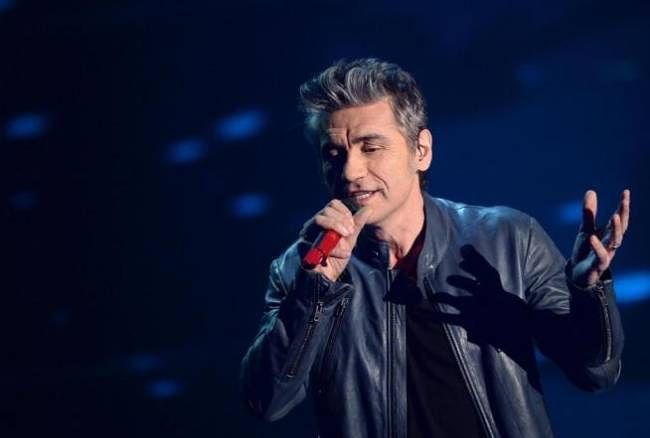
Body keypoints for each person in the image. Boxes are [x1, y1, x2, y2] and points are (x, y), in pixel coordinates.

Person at [240, 58, 630, 438]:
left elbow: (595, 373)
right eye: (334, 153)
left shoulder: (507, 238)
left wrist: (588, 293)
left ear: (421, 151)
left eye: (370, 148)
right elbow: (266, 401)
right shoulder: (301, 269)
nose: (350, 171)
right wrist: (314, 292)